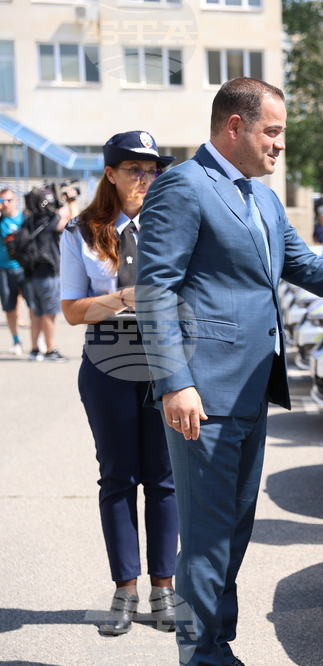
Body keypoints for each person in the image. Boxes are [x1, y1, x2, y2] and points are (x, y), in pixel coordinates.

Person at [135, 77, 323, 666]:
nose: (280, 145)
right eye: (273, 131)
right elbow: (154, 290)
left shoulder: (263, 198)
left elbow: (304, 265)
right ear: (233, 126)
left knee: (234, 530)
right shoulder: (184, 188)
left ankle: (217, 643)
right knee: (208, 539)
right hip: (201, 393)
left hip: (250, 389)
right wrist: (174, 381)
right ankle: (202, 656)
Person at [60, 131, 179, 637]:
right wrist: (127, 297)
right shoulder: (82, 231)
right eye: (135, 170)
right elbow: (71, 311)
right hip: (107, 362)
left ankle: (165, 588)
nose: (145, 180)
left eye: (152, 171)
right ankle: (125, 589)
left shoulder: (172, 225)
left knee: (165, 478)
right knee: (117, 477)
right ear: (110, 173)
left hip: (164, 361)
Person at [20, 185, 69, 361]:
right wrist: (70, 201)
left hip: (31, 273)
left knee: (36, 313)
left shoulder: (30, 220)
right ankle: (50, 350)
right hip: (48, 274)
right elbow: (74, 223)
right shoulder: (52, 221)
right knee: (50, 313)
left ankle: (34, 350)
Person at [1, 189, 31, 354]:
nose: (5, 204)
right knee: (9, 307)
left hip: (25, 268)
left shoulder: (26, 218)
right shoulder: (0, 220)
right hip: (5, 268)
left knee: (33, 306)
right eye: (2, 201)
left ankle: (37, 339)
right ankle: (16, 341)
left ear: (16, 201)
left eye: (9, 200)